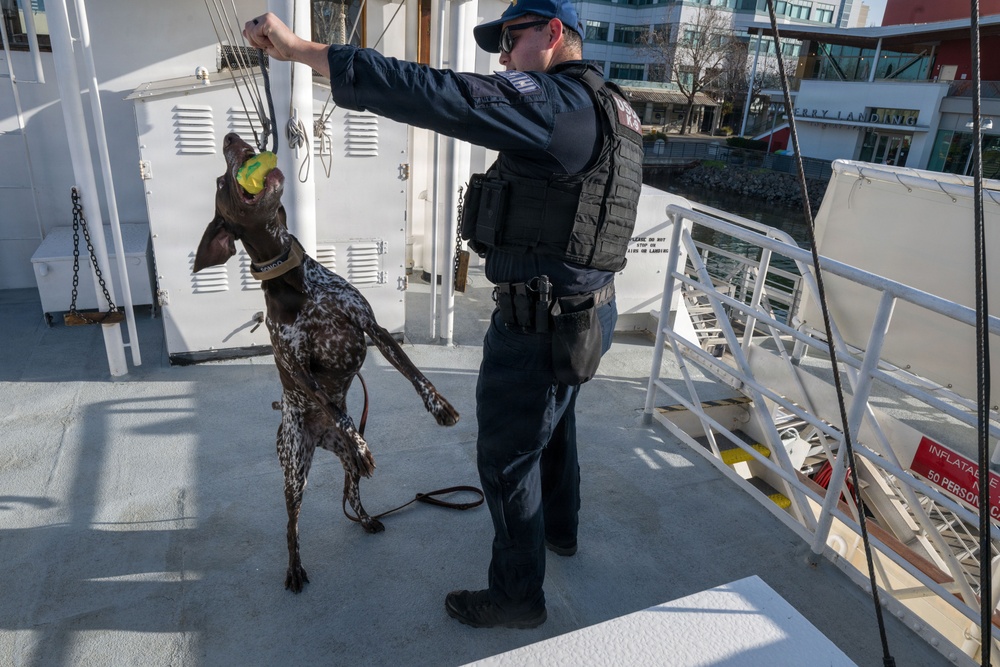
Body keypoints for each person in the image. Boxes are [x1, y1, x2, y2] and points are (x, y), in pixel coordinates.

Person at [244, 0, 642, 629]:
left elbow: (440, 93)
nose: (503, 59)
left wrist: (302, 52)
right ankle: (560, 532)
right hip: (589, 316)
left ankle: (517, 596)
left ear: (553, 33)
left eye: (510, 39)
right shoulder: (616, 109)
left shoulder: (553, 102)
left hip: (537, 326)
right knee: (556, 424)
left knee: (508, 459)